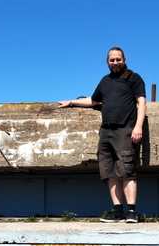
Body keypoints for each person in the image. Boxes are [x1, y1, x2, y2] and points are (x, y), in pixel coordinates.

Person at [59, 47, 146, 223]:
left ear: (124, 60)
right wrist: (71, 102)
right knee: (109, 172)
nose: (115, 62)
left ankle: (131, 212)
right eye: (112, 60)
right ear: (107, 62)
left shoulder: (134, 78)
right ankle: (118, 212)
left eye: (118, 59)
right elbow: (93, 101)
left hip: (125, 129)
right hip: (106, 131)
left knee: (127, 171)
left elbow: (142, 103)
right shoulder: (105, 81)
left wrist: (138, 127)